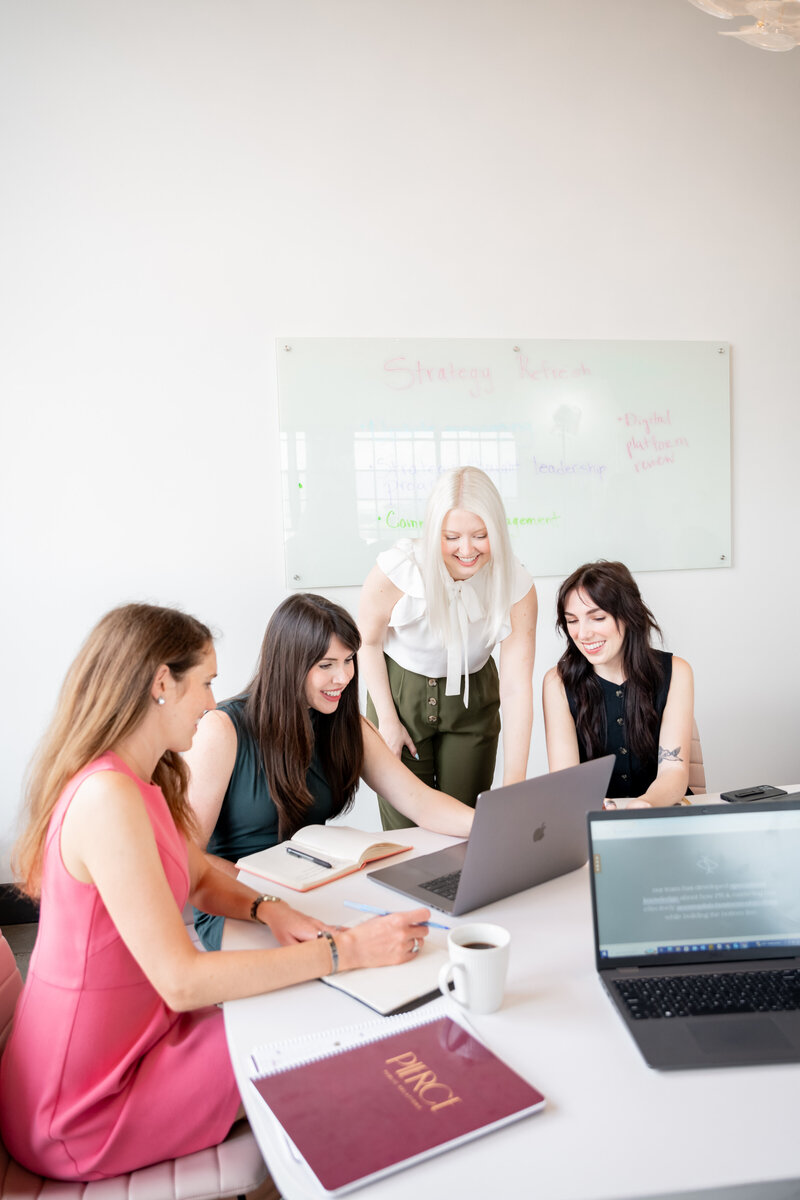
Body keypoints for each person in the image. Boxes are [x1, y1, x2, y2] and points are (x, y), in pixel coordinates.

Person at [0, 604, 431, 1183]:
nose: (211, 702)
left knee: (314, 1014)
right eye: (204, 682)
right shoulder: (107, 800)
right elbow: (181, 982)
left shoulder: (138, 780)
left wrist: (268, 908)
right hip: (84, 1104)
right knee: (332, 1036)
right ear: (160, 684)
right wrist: (346, 950)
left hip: (140, 1042)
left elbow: (196, 874)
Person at [185, 592, 474, 950]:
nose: (343, 677)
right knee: (315, 961)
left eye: (349, 660)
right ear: (289, 664)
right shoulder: (222, 729)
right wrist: (268, 898)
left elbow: (419, 801)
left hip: (314, 887)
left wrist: (488, 827)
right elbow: (186, 852)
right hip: (241, 898)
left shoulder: (346, 724)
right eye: (326, 665)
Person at [357, 465, 538, 830]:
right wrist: (388, 723)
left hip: (473, 699)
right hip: (398, 696)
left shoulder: (516, 583)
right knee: (406, 833)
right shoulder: (397, 570)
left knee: (466, 825)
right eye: (451, 536)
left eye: (481, 535)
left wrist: (515, 784)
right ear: (432, 531)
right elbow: (367, 641)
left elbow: (517, 687)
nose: (467, 550)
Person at [542, 560, 694, 808]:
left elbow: (673, 772)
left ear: (628, 615)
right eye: (572, 621)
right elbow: (567, 781)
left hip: (663, 810)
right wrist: (589, 804)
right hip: (597, 816)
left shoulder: (677, 672)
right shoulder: (557, 683)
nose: (583, 634)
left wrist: (644, 805)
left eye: (597, 618)